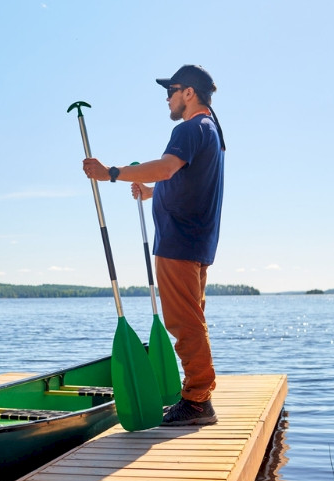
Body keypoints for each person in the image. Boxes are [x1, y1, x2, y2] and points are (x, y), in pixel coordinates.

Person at [82, 65, 225, 426]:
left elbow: (165, 168)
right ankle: (197, 394)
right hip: (192, 241)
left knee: (183, 320)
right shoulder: (210, 131)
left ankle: (197, 400)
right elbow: (181, 180)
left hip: (180, 242)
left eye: (172, 90)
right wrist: (150, 193)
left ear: (189, 93)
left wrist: (110, 173)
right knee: (190, 317)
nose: (167, 97)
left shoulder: (191, 128)